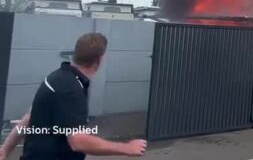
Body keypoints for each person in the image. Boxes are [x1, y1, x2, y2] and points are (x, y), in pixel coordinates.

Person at [0, 33, 147, 160]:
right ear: (100, 60)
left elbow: (28, 119)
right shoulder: (71, 89)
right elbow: (78, 141)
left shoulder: (58, 77)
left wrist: (4, 151)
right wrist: (127, 148)